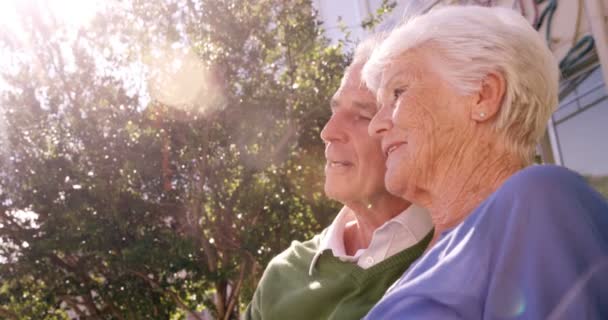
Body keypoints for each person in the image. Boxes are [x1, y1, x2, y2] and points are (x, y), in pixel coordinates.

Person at [361, 5, 608, 319]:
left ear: (483, 95)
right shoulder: (419, 265)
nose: (375, 125)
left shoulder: (538, 197)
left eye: (398, 92)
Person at [243, 37, 433, 320]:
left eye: (361, 115)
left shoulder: (461, 254)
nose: (328, 131)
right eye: (334, 110)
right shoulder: (282, 276)